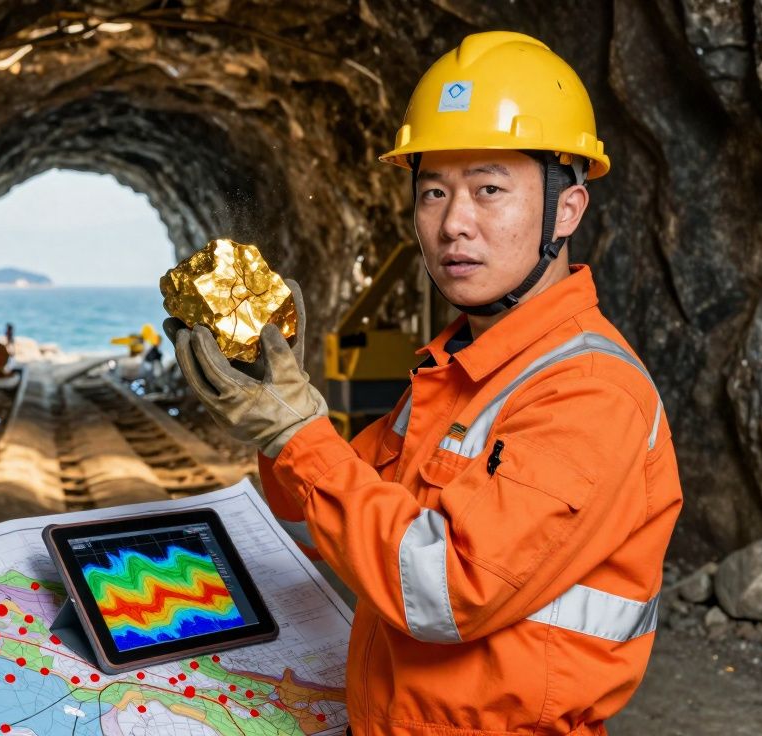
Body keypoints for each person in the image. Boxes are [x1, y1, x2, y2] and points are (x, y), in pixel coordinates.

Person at [166, 31, 682, 736]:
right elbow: (319, 527)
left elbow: (443, 590)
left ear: (567, 211)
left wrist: (298, 432)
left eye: (489, 189)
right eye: (433, 190)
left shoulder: (589, 393)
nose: (453, 223)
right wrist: (276, 407)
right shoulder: (454, 374)